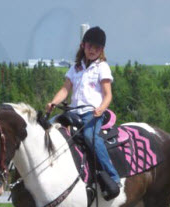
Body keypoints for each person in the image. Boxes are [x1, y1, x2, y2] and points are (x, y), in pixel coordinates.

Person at [46, 26, 121, 190]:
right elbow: (65, 89)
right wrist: (53, 102)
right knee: (47, 127)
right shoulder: (75, 68)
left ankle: (113, 176)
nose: (92, 50)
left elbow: (108, 94)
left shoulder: (102, 67)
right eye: (89, 46)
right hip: (73, 112)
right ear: (83, 46)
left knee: (90, 137)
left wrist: (101, 109)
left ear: (101, 50)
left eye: (96, 48)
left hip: (91, 114)